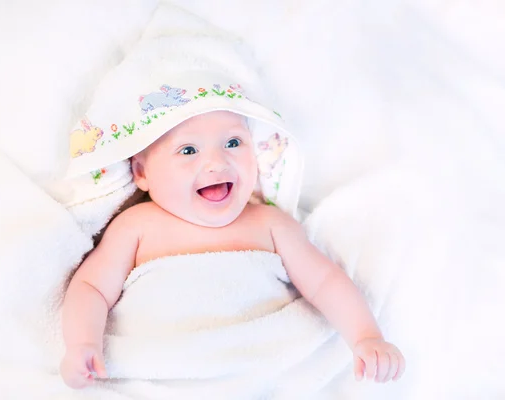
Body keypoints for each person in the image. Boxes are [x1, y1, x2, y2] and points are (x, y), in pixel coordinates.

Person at [60, 110, 406, 389]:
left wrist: (365, 336)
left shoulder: (270, 223)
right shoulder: (136, 225)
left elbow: (325, 282)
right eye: (188, 150)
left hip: (257, 373)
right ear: (141, 172)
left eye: (233, 142)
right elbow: (91, 288)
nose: (216, 163)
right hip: (162, 372)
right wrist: (83, 344)